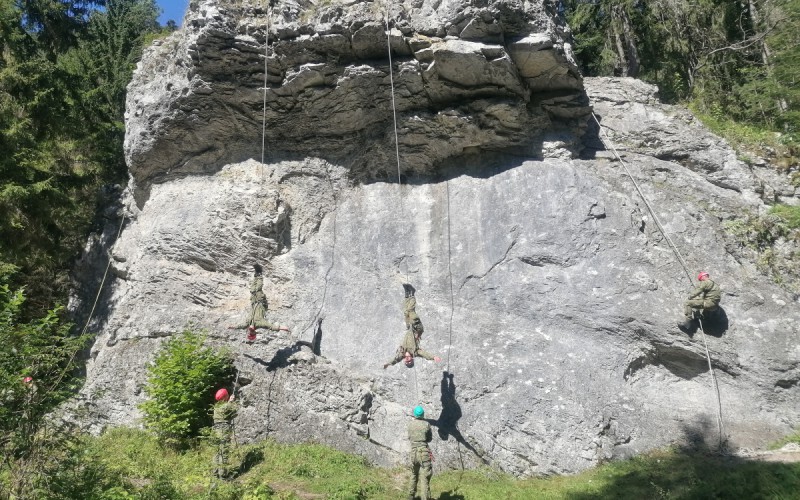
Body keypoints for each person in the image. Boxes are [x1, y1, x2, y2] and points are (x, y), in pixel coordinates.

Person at [229, 263, 289, 337]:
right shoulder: (260, 323)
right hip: (261, 302)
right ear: (254, 330)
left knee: (252, 290)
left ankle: (256, 274)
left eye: (250, 331)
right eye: (252, 331)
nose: (251, 330)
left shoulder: (247, 323)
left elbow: (240, 326)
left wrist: (233, 327)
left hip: (254, 301)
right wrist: (282, 328)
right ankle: (260, 273)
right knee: (257, 289)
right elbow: (271, 326)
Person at [407, 405, 433, 500]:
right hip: (423, 453)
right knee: (424, 477)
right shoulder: (426, 424)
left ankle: (410, 496)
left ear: (414, 414)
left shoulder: (410, 424)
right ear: (423, 414)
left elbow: (409, 437)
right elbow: (429, 439)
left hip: (413, 453)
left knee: (414, 474)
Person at [212, 387, 238, 479]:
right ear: (224, 397)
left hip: (215, 430)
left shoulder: (216, 406)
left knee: (217, 452)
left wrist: (230, 403)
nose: (228, 396)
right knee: (223, 451)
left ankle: (215, 473)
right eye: (227, 395)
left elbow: (230, 412)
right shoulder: (224, 406)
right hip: (223, 430)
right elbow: (230, 410)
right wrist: (231, 401)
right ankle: (223, 475)